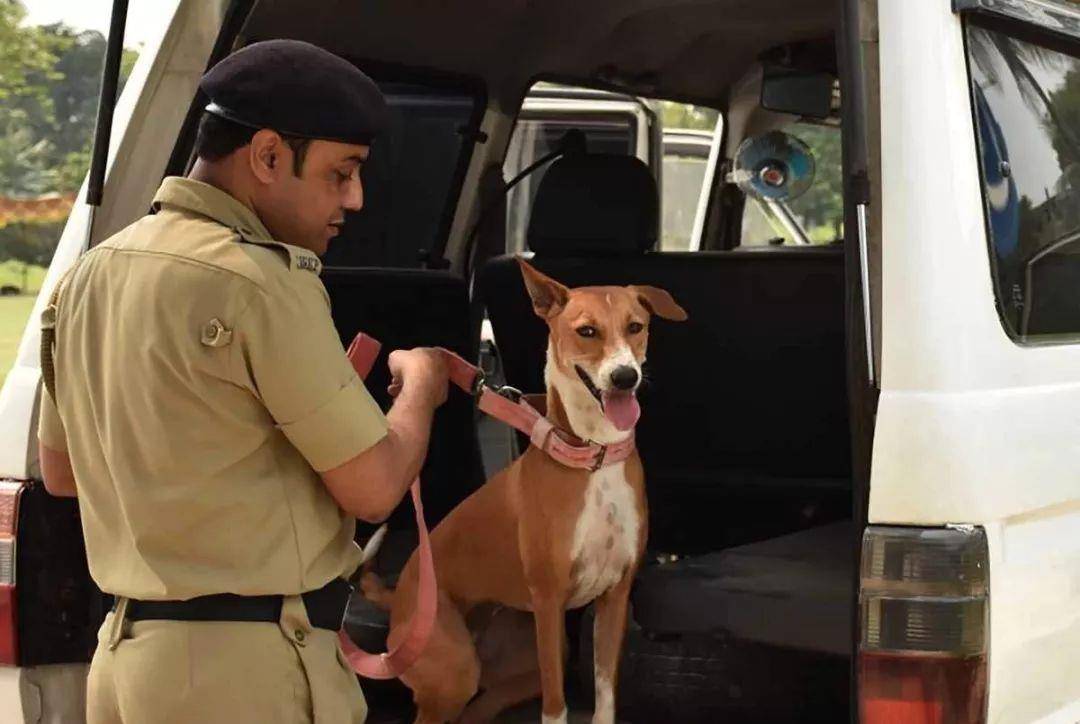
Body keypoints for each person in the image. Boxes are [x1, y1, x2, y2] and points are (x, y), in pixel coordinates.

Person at [36, 39, 448, 723]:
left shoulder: (88, 276)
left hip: (125, 667)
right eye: (340, 172)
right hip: (245, 675)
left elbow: (62, 473)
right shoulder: (261, 283)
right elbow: (375, 488)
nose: (356, 197)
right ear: (265, 155)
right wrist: (422, 389)